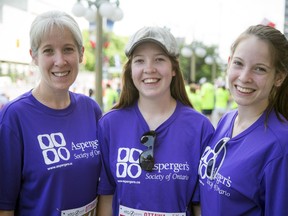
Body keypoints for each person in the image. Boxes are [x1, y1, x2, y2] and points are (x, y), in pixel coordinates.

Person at [97, 26, 214, 216]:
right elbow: (106, 196)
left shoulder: (200, 128)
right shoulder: (110, 125)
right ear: (130, 70)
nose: (149, 69)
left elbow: (199, 205)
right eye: (140, 61)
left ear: (174, 69)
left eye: (159, 59)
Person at [0, 11, 102, 216]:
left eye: (68, 49)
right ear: (34, 57)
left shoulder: (91, 110)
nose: (60, 60)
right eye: (48, 51)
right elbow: (5, 206)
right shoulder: (14, 117)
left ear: (81, 54)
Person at [198, 24, 288, 215]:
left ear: (279, 77)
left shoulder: (281, 143)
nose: (245, 77)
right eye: (238, 63)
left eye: (260, 69)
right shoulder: (227, 120)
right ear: (229, 63)